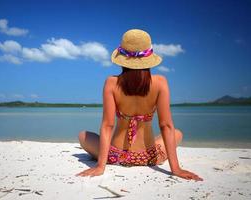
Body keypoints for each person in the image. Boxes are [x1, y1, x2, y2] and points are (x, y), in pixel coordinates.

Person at [76, 29, 203, 181]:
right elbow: (166, 126)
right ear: (148, 58)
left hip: (116, 156)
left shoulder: (111, 83)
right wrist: (176, 169)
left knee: (83, 135)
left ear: (122, 58)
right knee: (177, 132)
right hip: (149, 157)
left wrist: (100, 166)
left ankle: (106, 160)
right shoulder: (160, 82)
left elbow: (107, 126)